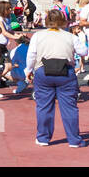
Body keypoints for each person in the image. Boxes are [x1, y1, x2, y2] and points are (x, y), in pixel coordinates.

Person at [25, 9, 85, 147]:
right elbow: (84, 51)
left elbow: (31, 55)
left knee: (43, 106)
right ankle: (74, 140)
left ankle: (43, 138)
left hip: (43, 71)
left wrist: (28, 70)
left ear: (47, 21)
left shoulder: (38, 36)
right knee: (69, 107)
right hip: (65, 71)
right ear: (63, 21)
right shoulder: (70, 36)